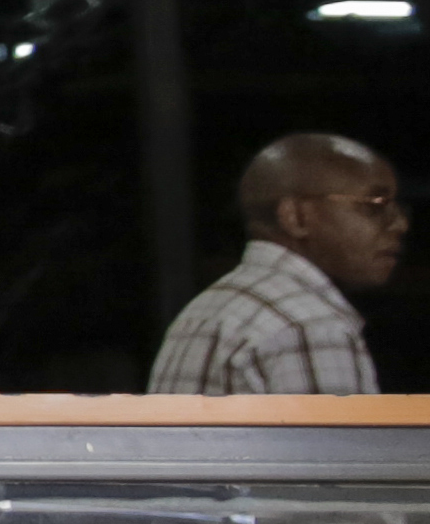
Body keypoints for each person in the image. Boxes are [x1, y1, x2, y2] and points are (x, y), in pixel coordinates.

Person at [149, 133, 402, 394]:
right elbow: (332, 438)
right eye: (375, 205)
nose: (399, 224)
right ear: (296, 216)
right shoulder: (307, 324)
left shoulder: (205, 309)